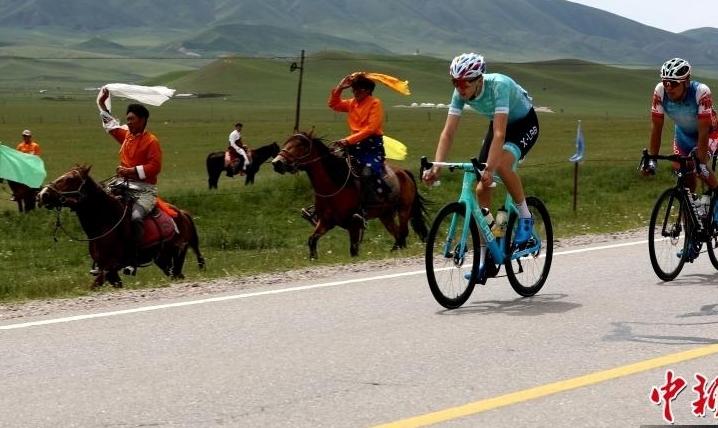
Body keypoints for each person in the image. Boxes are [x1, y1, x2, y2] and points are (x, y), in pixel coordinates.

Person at [422, 52, 540, 246]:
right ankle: (492, 242)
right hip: (498, 124)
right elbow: (448, 133)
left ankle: (526, 217)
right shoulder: (460, 92)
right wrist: (437, 167)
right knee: (481, 188)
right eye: (455, 83)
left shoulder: (498, 86)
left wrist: (490, 168)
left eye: (464, 84)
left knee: (501, 166)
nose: (460, 89)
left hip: (523, 124)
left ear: (478, 80)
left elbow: (500, 134)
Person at [301, 73, 390, 227]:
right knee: (333, 169)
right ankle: (320, 209)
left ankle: (365, 208)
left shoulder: (375, 103)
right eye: (354, 89)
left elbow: (371, 128)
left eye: (359, 89)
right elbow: (334, 104)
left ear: (368, 90)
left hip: (371, 147)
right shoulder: (352, 103)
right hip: (353, 145)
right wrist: (340, 87)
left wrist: (347, 140)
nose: (355, 92)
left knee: (367, 172)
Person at [97, 87, 162, 275]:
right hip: (122, 185)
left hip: (144, 190)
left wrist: (130, 171)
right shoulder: (127, 136)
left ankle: (133, 259)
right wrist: (102, 104)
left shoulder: (151, 141)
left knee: (135, 218)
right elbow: (111, 126)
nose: (129, 123)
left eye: (132, 119)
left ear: (142, 120)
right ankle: (102, 257)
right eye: (127, 120)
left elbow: (155, 167)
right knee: (101, 206)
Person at [642, 58, 718, 192]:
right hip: (683, 135)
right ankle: (689, 210)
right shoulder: (660, 91)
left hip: (710, 132)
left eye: (674, 83)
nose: (668, 87)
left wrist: (701, 163)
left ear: (686, 82)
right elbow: (656, 126)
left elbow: (704, 130)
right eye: (665, 82)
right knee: (681, 170)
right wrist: (652, 159)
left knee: (699, 168)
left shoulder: (701, 92)